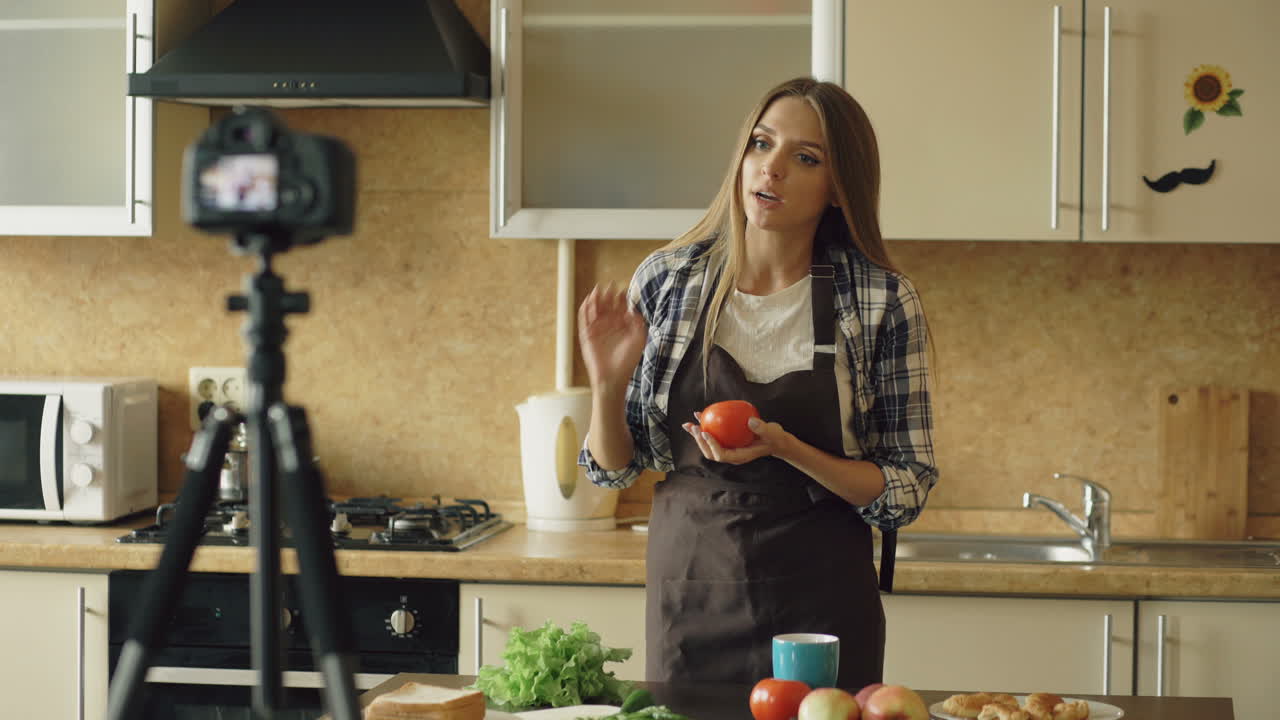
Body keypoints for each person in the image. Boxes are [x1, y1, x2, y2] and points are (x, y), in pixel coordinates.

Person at [576, 76, 938, 688]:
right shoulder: (669, 281)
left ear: (837, 190)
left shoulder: (879, 299)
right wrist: (607, 388)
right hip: (694, 593)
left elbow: (906, 488)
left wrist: (787, 447)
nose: (771, 169)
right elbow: (612, 469)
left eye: (805, 158)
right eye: (760, 144)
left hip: (824, 601)